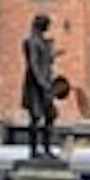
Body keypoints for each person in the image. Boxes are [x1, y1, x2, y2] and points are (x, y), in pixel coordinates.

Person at [19, 14, 62, 159]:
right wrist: (43, 83)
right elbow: (34, 65)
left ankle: (46, 148)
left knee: (50, 116)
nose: (48, 28)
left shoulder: (42, 42)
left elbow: (43, 61)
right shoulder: (32, 41)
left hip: (45, 84)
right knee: (36, 118)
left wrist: (52, 56)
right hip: (35, 86)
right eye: (47, 24)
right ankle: (34, 150)